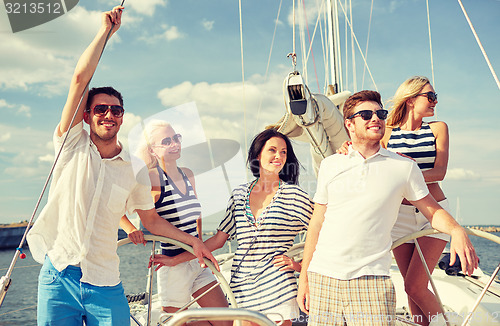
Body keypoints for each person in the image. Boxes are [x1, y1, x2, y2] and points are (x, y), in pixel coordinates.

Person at [26, 7, 217, 326]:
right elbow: (79, 79)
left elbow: (152, 222)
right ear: (86, 116)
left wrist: (195, 242)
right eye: (100, 108)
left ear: (123, 117)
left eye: (116, 110)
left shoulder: (133, 168)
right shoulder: (72, 145)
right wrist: (105, 33)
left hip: (105, 282)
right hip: (58, 277)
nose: (108, 114)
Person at [296, 90, 478, 326]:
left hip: (371, 281)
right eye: (366, 114)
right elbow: (317, 222)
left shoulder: (403, 167)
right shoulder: (331, 165)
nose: (376, 118)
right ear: (349, 124)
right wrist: (305, 278)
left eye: (380, 113)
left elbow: (432, 211)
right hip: (323, 278)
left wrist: (456, 230)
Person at [150, 129, 314, 326]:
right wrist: (175, 259)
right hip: (242, 286)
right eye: (272, 150)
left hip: (277, 284)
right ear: (258, 155)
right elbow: (218, 241)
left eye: (283, 152)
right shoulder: (239, 195)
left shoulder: (294, 195)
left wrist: (300, 266)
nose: (278, 156)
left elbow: (324, 233)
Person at [135, 120, 229, 326]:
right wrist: (131, 229)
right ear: (152, 150)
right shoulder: (151, 178)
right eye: (166, 141)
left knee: (225, 322)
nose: (174, 144)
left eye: (176, 138)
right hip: (171, 264)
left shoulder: (188, 174)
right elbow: (120, 205)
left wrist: (200, 244)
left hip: (196, 260)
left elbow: (197, 216)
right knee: (175, 324)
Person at [382, 76, 451, 325]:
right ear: (411, 100)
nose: (435, 102)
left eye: (435, 97)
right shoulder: (387, 132)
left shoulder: (437, 128)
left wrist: (404, 175)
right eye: (430, 97)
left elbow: (439, 171)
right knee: (411, 289)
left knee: (416, 285)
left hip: (432, 214)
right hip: (398, 218)